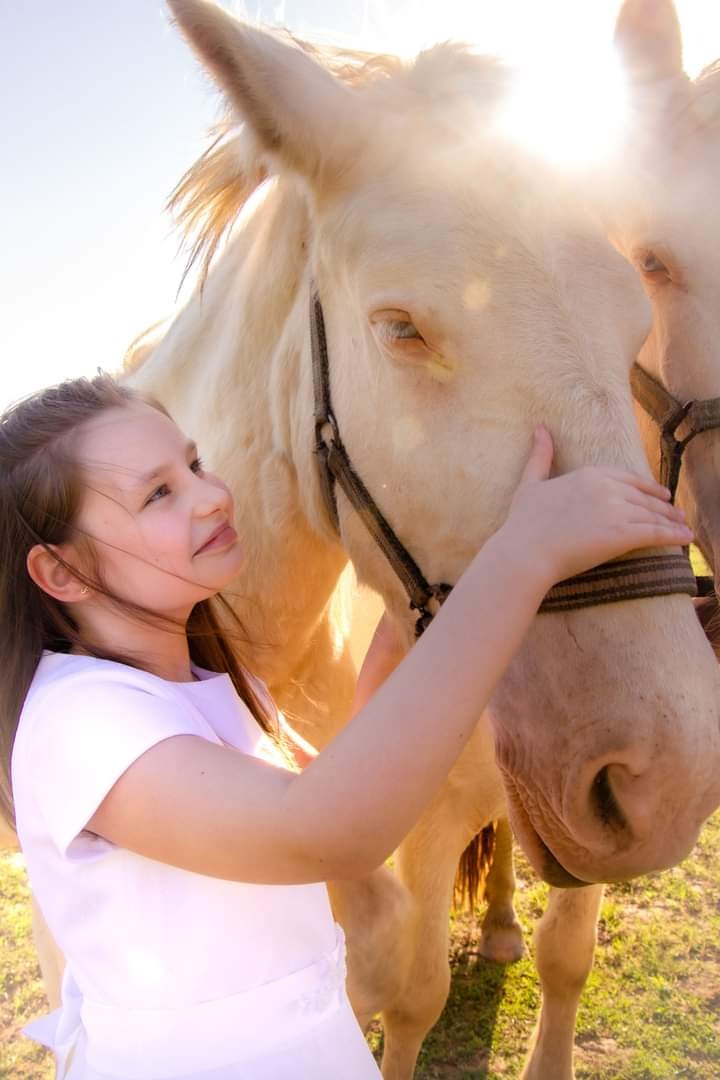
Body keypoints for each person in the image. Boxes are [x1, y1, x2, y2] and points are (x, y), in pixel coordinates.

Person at [1, 373, 692, 1080]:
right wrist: (523, 558)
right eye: (159, 493)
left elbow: (326, 786)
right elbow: (324, 828)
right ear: (61, 572)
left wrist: (405, 634)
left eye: (196, 464)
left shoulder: (195, 685)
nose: (211, 494)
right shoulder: (79, 720)